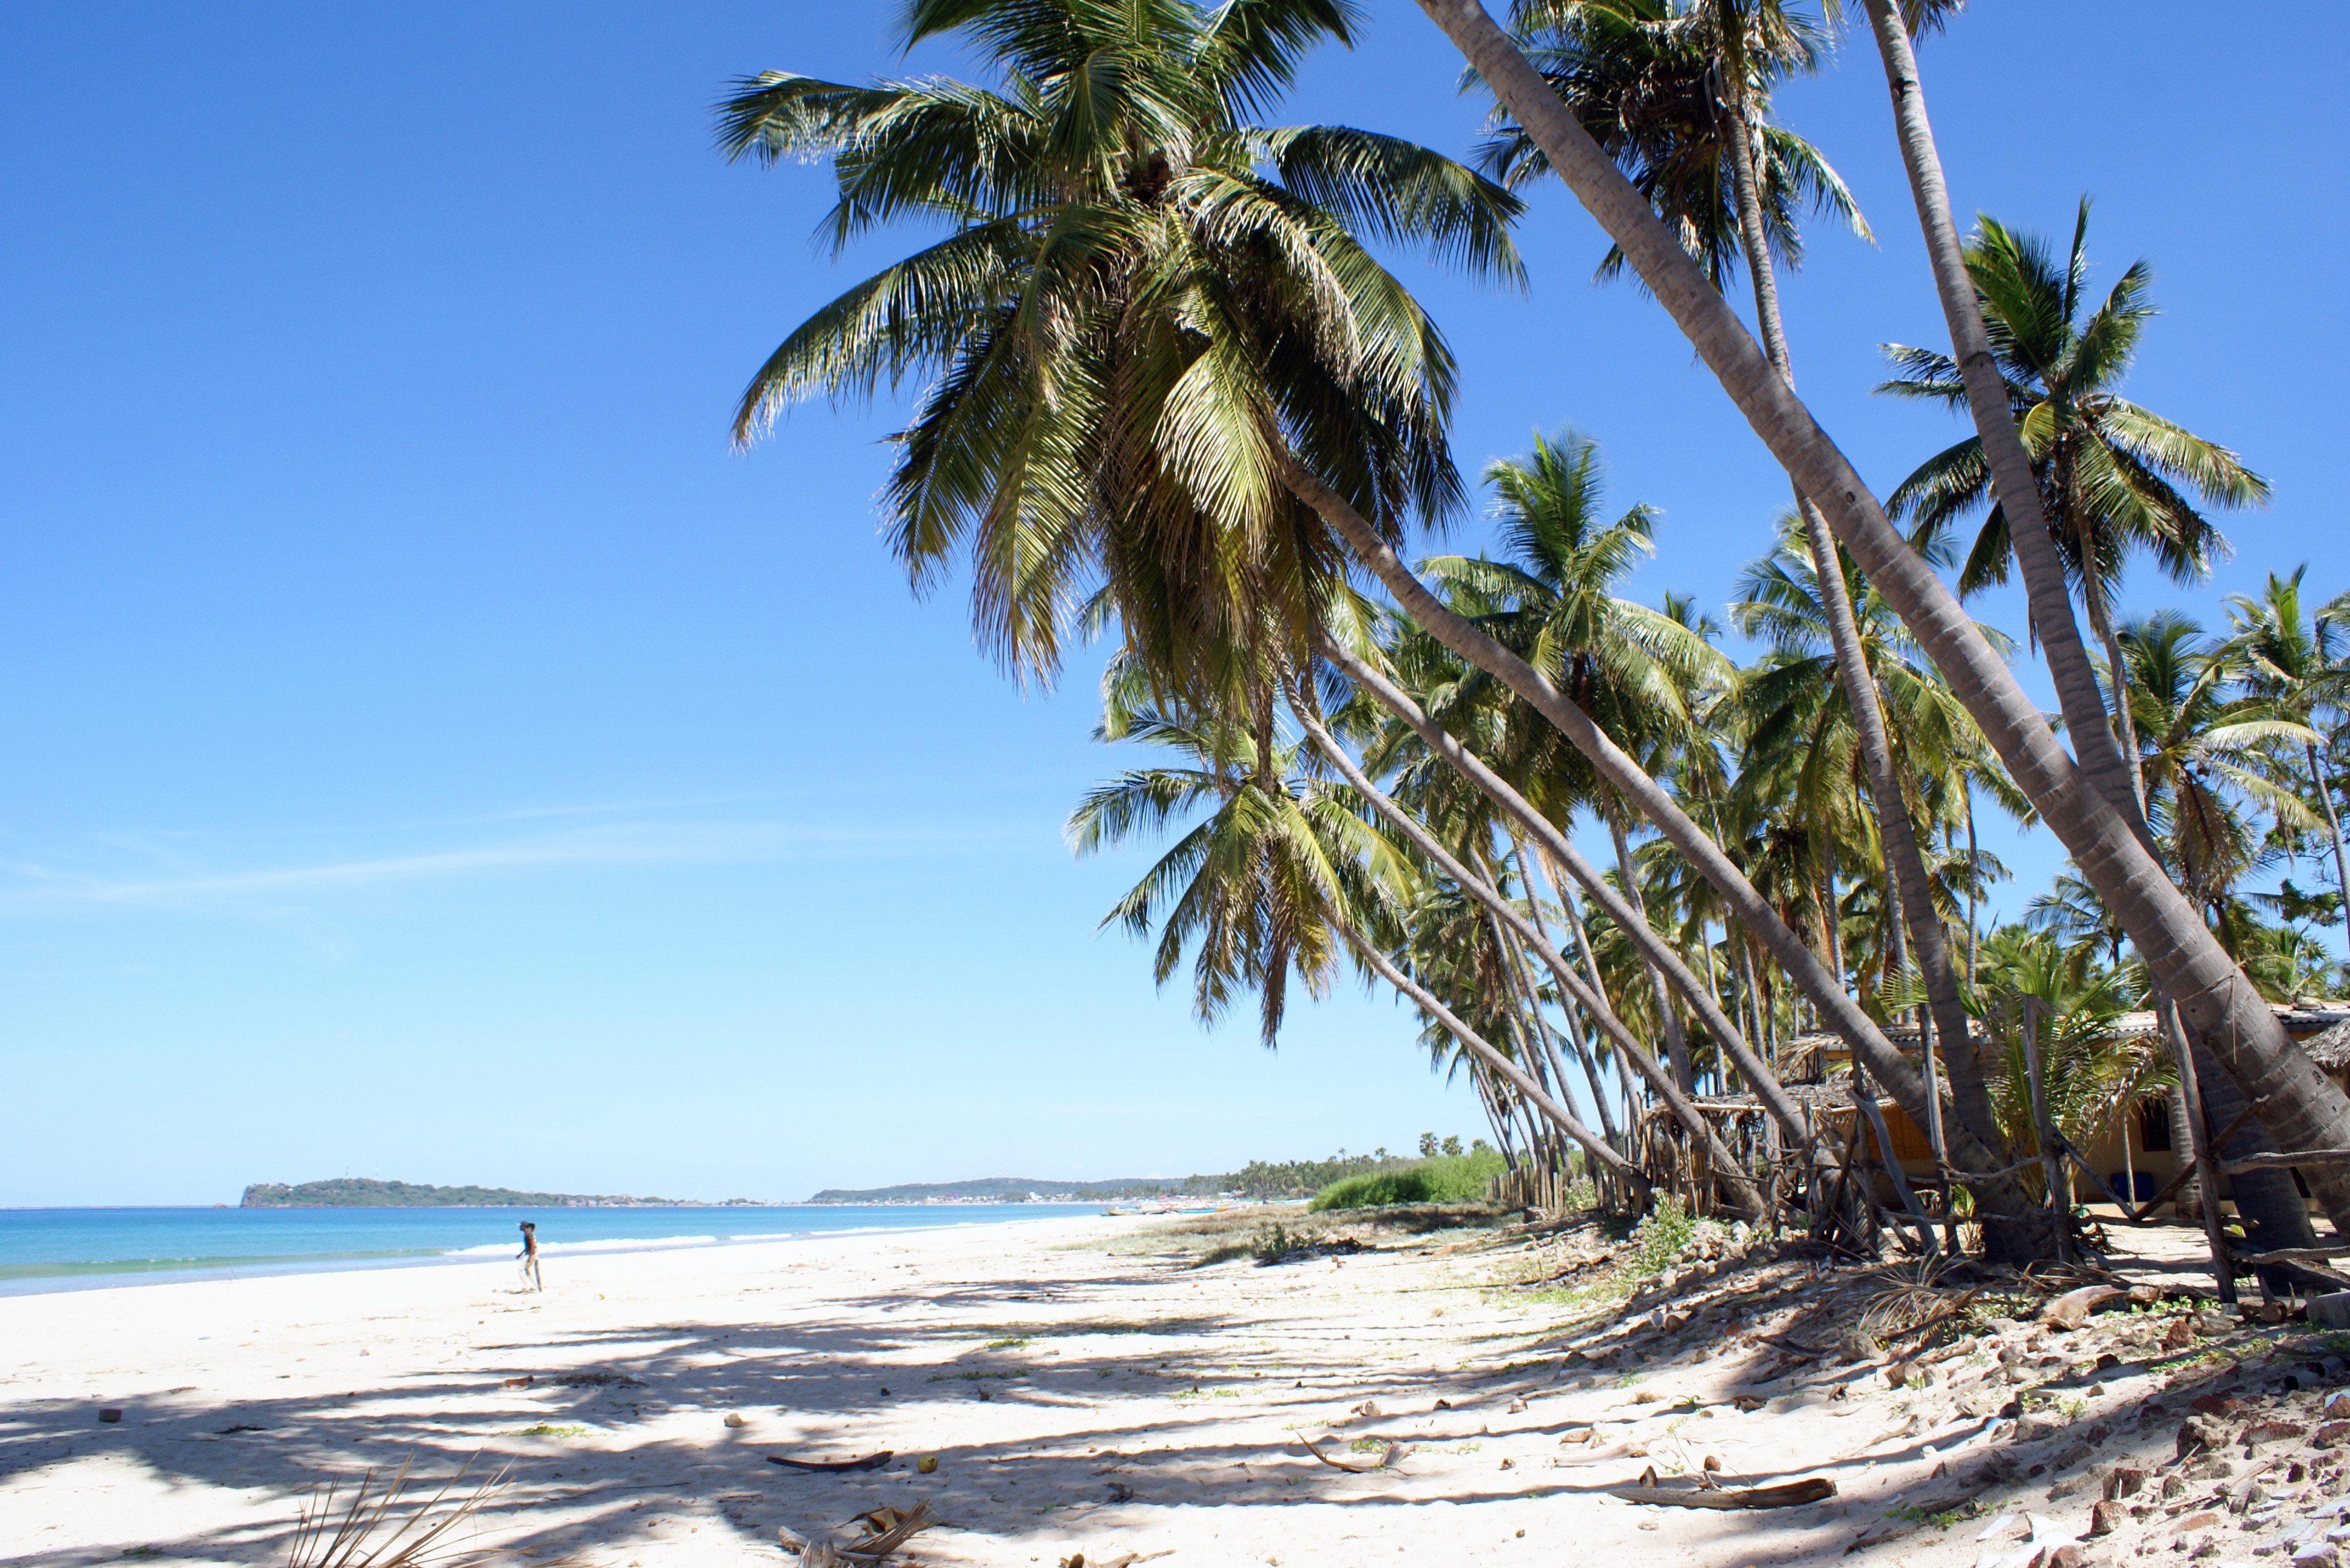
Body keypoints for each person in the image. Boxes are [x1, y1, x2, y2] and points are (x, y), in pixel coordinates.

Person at [516, 1221, 543, 1292]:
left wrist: (531, 1256)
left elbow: (532, 1246)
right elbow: (528, 1246)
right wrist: (521, 1254)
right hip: (530, 1254)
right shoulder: (528, 1233)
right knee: (526, 1269)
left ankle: (527, 1286)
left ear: (523, 1227)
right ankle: (534, 1286)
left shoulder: (528, 1234)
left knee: (520, 1270)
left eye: (520, 1226)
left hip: (530, 1254)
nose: (519, 1227)